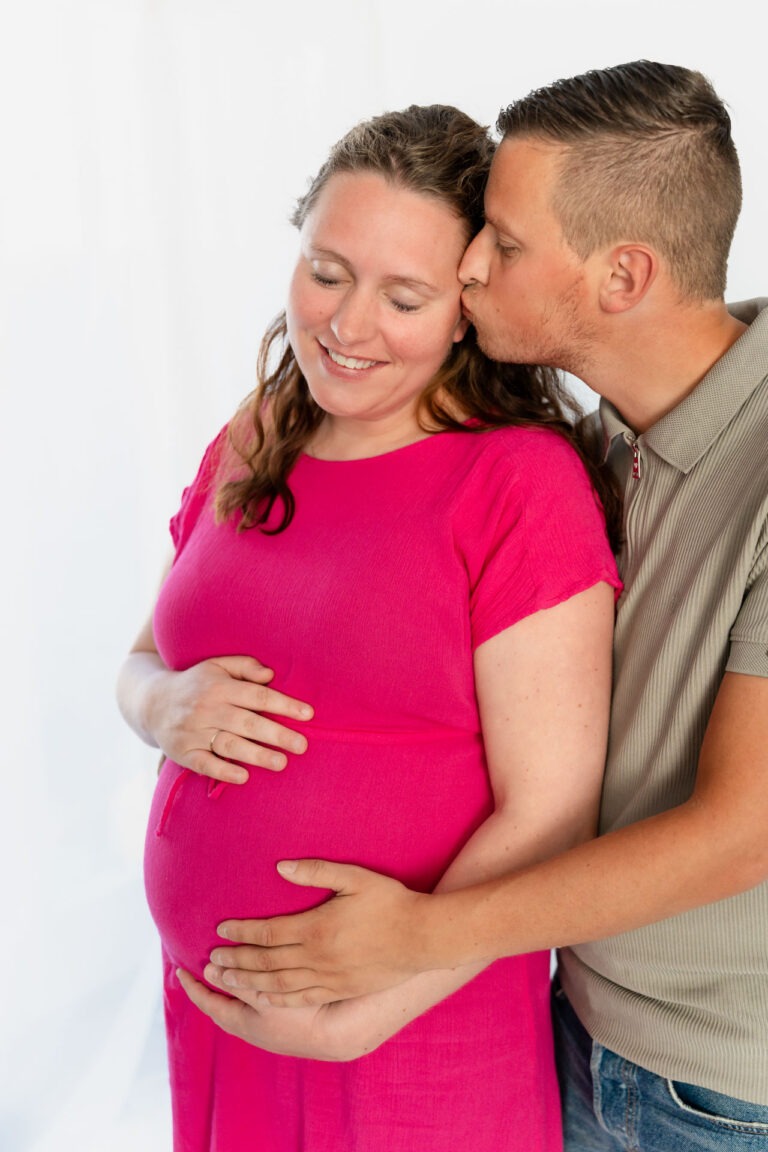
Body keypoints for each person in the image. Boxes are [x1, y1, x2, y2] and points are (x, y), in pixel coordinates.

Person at [190, 62, 768, 1150]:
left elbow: (743, 835)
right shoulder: (608, 443)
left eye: (502, 242)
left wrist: (412, 943)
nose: (469, 266)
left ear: (623, 275)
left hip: (721, 1095)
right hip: (583, 1030)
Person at [117, 103, 621, 1151]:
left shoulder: (516, 483)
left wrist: (367, 1013)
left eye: (403, 297)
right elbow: (145, 657)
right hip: (221, 1025)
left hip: (410, 1034)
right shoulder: (257, 431)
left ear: (466, 309)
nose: (347, 327)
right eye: (327, 272)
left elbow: (553, 813)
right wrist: (160, 704)